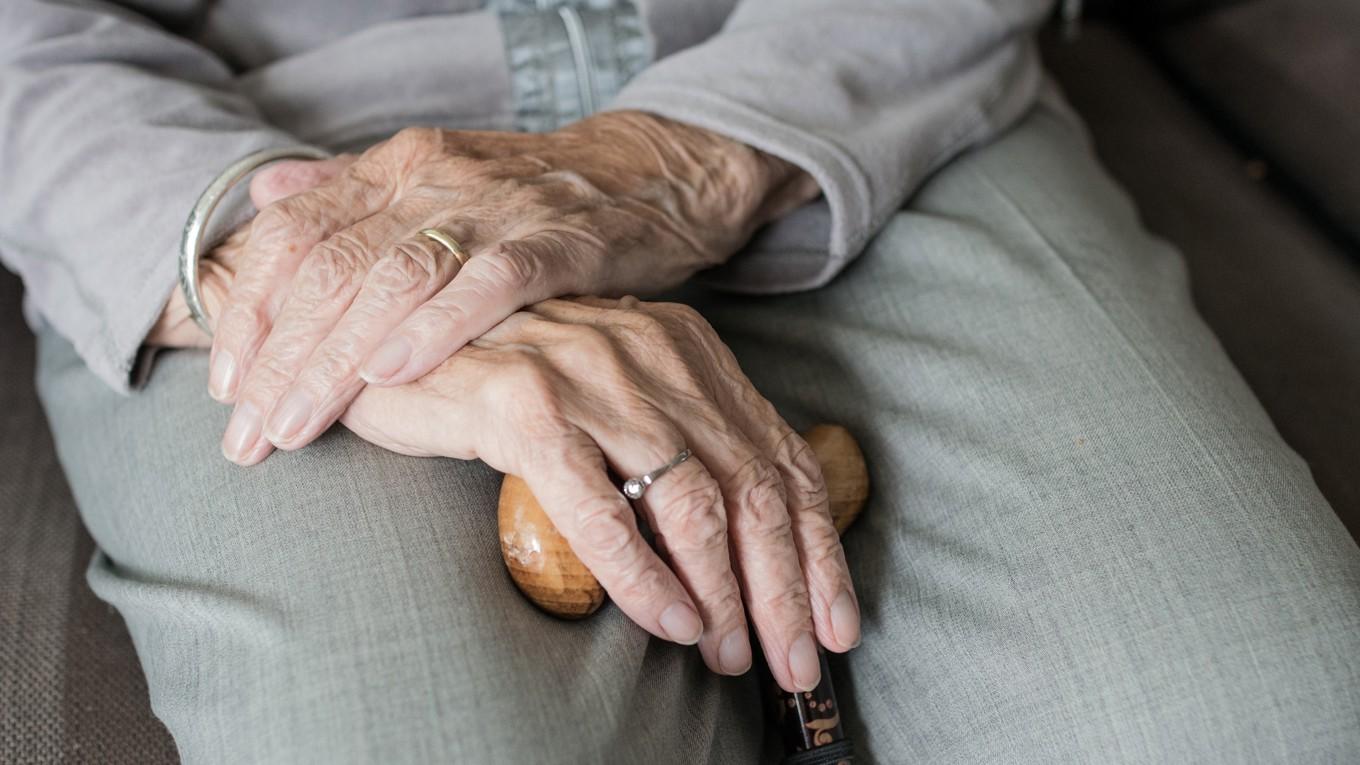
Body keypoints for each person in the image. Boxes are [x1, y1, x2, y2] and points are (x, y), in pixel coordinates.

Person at [4, 0, 1358, 762]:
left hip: (855, 75)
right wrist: (297, 267)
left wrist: (674, 157)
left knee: (1264, 720)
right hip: (255, 156)